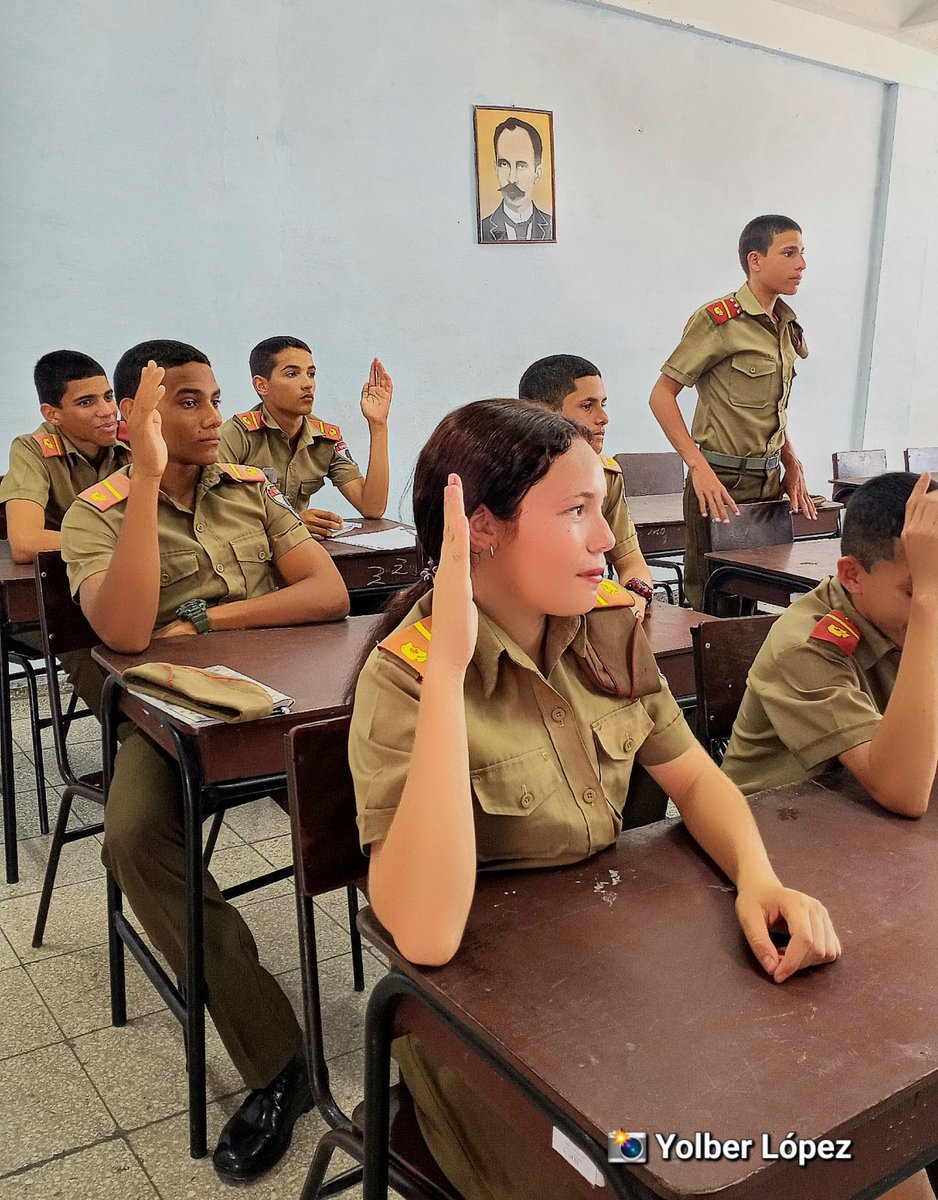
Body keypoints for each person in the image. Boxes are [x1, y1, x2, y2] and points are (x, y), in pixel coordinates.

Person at [348, 399, 840, 1200]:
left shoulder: (606, 627)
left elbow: (694, 777)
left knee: (836, 1143)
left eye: (600, 508)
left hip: (610, 968)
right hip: (479, 1024)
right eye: (575, 512)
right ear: (482, 528)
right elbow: (429, 939)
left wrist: (758, 875)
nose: (608, 538)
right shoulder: (404, 679)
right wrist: (447, 676)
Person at [60, 340, 349, 1181]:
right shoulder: (99, 510)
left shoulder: (249, 490)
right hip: (169, 711)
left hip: (279, 698)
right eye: (188, 401)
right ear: (142, 417)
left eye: (216, 398)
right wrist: (145, 480)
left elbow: (325, 592)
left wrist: (215, 618)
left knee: (369, 778)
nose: (215, 417)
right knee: (136, 837)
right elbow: (121, 633)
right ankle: (277, 1062)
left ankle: (444, 991)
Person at [723, 472, 938, 811]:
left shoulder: (906, 616)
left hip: (855, 815)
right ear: (852, 575)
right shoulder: (805, 645)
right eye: (914, 589)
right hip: (771, 826)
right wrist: (927, 602)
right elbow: (903, 794)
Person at [648, 215, 817, 610]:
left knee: (758, 597)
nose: (802, 265)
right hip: (720, 482)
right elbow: (661, 395)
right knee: (715, 602)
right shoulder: (718, 320)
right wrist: (697, 466)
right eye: (789, 253)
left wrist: (792, 462)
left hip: (768, 483)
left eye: (802, 253)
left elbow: (775, 408)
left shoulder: (785, 324)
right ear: (755, 260)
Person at [217, 335, 392, 539]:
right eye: (292, 374)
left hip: (298, 555)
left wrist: (378, 425)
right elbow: (214, 512)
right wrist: (292, 522)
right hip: (246, 557)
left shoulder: (325, 438)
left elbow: (372, 507)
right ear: (262, 385)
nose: (307, 384)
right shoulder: (237, 435)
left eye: (311, 374)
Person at [519, 353, 654, 617]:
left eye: (603, 404)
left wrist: (636, 597)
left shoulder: (604, 478)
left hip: (580, 611)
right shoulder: (509, 478)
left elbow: (631, 561)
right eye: (587, 406)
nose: (603, 417)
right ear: (543, 412)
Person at [0, 350, 130, 563]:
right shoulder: (32, 449)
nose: (107, 411)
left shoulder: (132, 441)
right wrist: (125, 543)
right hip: (65, 577)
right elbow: (25, 542)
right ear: (52, 414)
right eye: (86, 402)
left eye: (108, 397)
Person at [480, 116, 553, 243]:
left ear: (537, 173)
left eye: (521, 165)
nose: (511, 178)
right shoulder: (483, 229)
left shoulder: (552, 225)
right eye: (504, 164)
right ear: (496, 169)